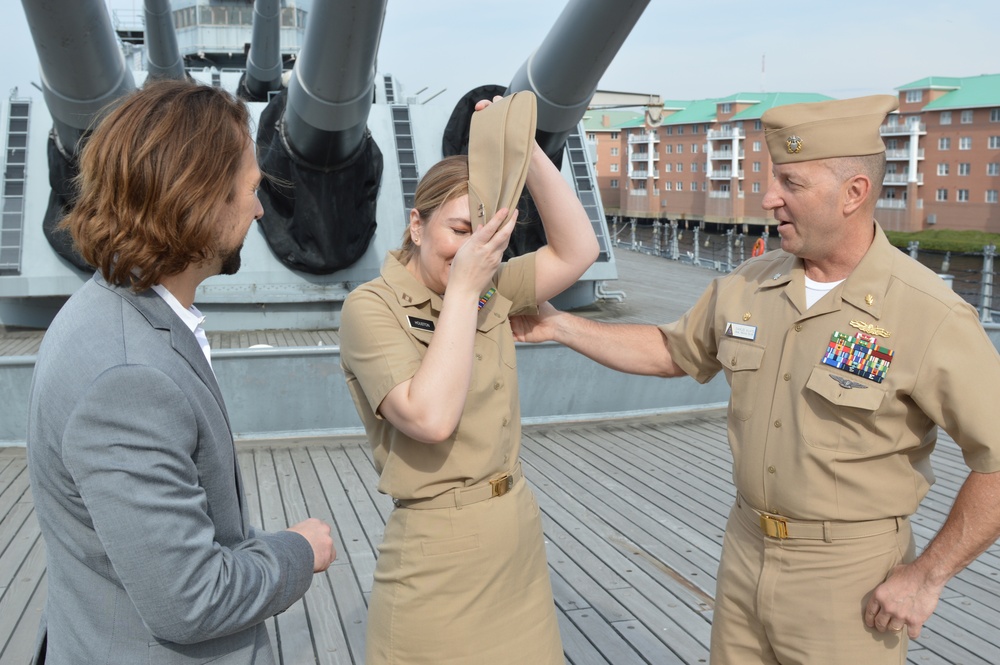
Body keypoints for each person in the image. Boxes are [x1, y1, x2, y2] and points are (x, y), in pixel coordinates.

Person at [511, 95, 1000, 664]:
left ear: (854, 194)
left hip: (850, 578)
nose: (769, 198)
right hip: (745, 550)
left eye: (791, 183)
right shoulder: (750, 284)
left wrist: (927, 576)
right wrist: (562, 327)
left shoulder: (929, 313)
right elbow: (673, 351)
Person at [26, 79, 336, 664]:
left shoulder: (106, 311)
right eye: (249, 189)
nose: (260, 207)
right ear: (198, 199)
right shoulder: (127, 377)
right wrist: (298, 550)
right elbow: (189, 600)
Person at [338, 95, 600, 664]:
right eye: (460, 229)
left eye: (488, 238)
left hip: (514, 536)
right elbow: (429, 418)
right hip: (439, 550)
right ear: (417, 223)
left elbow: (579, 251)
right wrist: (463, 290)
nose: (473, 252)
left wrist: (521, 149)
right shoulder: (371, 307)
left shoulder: (490, 288)